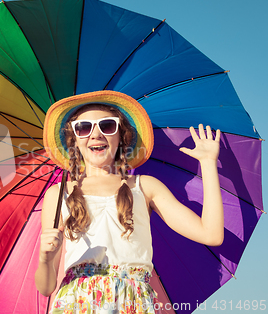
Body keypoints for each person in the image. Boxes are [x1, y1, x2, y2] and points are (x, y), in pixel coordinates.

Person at [35, 90, 223, 314]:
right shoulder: (58, 194)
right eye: (84, 128)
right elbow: (46, 287)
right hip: (78, 303)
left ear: (121, 136)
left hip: (134, 303)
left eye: (107, 126)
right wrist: (45, 259)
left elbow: (211, 234)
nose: (95, 134)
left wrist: (208, 163)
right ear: (74, 140)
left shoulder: (145, 186)